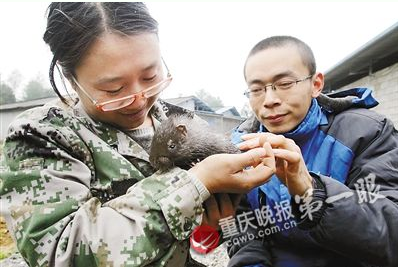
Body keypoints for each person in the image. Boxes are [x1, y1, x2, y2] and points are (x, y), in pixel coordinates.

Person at [0, 3, 277, 266]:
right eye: (113, 89)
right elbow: (62, 253)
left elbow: (212, 235)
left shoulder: (180, 121)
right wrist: (193, 186)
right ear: (71, 77)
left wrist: (211, 225)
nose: (139, 100)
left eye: (150, 76)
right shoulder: (41, 136)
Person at [226, 36, 398, 267]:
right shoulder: (240, 148)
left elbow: (389, 234)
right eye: (256, 89)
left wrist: (311, 191)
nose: (270, 100)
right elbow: (243, 229)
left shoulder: (367, 133)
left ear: (316, 84)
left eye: (285, 84)